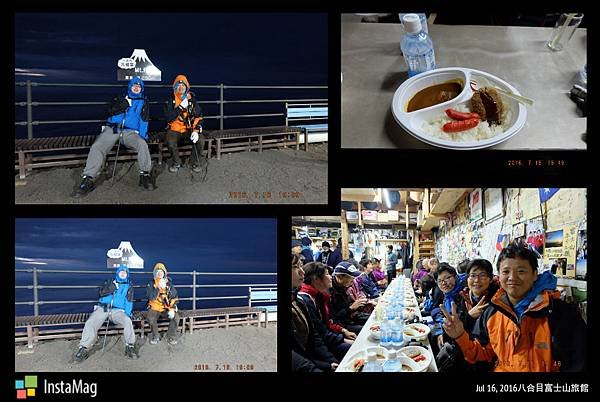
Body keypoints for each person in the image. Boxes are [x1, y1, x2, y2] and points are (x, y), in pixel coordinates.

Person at [441, 244, 587, 372]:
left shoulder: (559, 313)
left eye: (521, 271)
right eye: (506, 272)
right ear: (499, 275)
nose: (512, 277)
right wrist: (460, 336)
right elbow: (481, 354)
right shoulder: (492, 312)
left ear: (535, 274)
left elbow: (576, 362)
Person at [72, 77, 154, 197]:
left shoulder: (144, 102)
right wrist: (124, 104)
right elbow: (110, 111)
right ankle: (88, 178)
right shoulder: (120, 98)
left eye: (139, 86)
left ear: (141, 89)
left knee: (142, 144)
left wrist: (143, 136)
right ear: (130, 87)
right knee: (97, 146)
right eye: (134, 86)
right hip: (113, 128)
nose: (136, 88)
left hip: (130, 132)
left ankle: (145, 175)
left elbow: (144, 121)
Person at [436, 259, 499, 371]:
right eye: (472, 275)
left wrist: (468, 318)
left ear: (490, 279)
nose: (476, 280)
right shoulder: (463, 297)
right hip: (461, 348)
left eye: (482, 275)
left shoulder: (495, 303)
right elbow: (456, 323)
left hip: (480, 359)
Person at [74, 264, 137, 362]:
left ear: (127, 274)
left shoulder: (129, 286)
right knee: (91, 322)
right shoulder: (109, 282)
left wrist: (128, 314)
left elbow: (129, 302)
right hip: (103, 308)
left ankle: (130, 346)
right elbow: (101, 292)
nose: (123, 274)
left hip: (118, 311)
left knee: (127, 321)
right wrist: (112, 287)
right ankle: (83, 347)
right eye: (121, 272)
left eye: (125, 272)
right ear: (118, 273)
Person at [291, 254, 339, 372]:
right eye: (296, 267)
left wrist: (330, 362)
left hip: (315, 357)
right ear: (316, 279)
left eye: (301, 266)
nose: (302, 272)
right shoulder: (305, 299)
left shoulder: (298, 300)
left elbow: (314, 336)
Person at [297, 262, 354, 361]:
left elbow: (328, 324)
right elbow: (319, 334)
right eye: (327, 274)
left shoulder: (320, 296)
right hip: (320, 347)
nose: (331, 277)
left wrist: (343, 332)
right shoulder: (306, 300)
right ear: (316, 279)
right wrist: (342, 339)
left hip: (330, 337)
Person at [164, 75, 207, 173]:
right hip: (174, 128)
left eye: (183, 85)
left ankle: (194, 162)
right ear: (175, 87)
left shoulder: (192, 100)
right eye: (178, 85)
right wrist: (180, 107)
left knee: (200, 140)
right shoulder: (171, 100)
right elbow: (168, 117)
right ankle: (176, 162)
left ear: (187, 87)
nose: (181, 87)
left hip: (189, 129)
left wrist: (196, 130)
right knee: (170, 141)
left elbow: (198, 116)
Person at [329, 261, 368, 333]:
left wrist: (358, 305)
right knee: (366, 330)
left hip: (349, 318)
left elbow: (347, 306)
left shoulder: (343, 287)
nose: (353, 281)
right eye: (351, 278)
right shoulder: (330, 292)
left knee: (371, 321)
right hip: (340, 325)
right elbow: (334, 318)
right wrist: (351, 308)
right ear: (340, 277)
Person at [146, 262, 180, 345]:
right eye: (158, 272)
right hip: (154, 307)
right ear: (155, 274)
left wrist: (173, 307)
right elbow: (150, 297)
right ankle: (156, 336)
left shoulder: (169, 284)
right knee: (150, 318)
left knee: (176, 317)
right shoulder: (151, 284)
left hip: (166, 307)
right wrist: (157, 288)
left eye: (161, 272)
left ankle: (171, 336)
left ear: (164, 273)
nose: (160, 273)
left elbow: (175, 296)